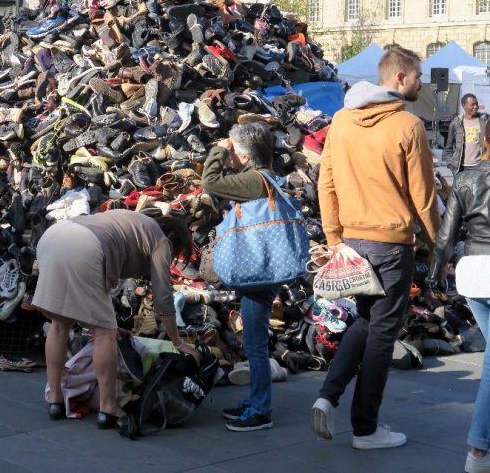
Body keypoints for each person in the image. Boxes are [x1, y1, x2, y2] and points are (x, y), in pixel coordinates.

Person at [310, 46, 441, 449]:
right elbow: (423, 195)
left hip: (352, 240)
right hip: (391, 243)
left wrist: (334, 239)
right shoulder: (408, 125)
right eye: (419, 76)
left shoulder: (343, 121)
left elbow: (325, 182)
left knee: (366, 322)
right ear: (399, 78)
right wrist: (437, 244)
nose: (422, 83)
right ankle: (365, 429)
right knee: (383, 334)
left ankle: (327, 397)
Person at [33, 209, 201, 427]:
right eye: (175, 254)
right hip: (85, 245)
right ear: (172, 240)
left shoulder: (133, 222)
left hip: (53, 237)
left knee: (58, 325)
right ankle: (108, 408)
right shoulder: (161, 240)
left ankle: (55, 400)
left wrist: (102, 323)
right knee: (105, 333)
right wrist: (178, 342)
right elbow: (163, 297)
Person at [201, 121, 280, 432]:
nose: (230, 154)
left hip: (259, 273)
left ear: (246, 157)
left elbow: (210, 182)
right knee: (253, 341)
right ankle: (255, 400)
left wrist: (219, 150)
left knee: (256, 345)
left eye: (234, 151)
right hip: (262, 267)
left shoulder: (255, 181)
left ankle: (261, 410)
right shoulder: (265, 176)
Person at [426, 130, 490, 473]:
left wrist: (434, 277)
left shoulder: (465, 179)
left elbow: (446, 235)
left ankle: (480, 452)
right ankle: (478, 450)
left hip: (475, 274)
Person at [444, 93, 490, 175]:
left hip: (479, 166)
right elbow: (448, 148)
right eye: (472, 105)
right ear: (464, 105)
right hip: (460, 168)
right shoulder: (455, 124)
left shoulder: (484, 120)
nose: (475, 107)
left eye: (476, 104)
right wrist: (451, 164)